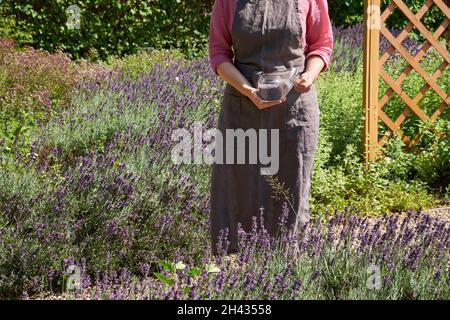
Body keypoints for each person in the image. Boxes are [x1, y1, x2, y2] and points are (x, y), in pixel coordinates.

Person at [208, 0, 333, 256]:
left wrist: (309, 75)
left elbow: (322, 44)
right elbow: (218, 53)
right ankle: (242, 275)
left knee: (290, 187)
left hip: (294, 106)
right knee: (238, 188)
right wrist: (249, 91)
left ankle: (286, 267)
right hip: (243, 104)